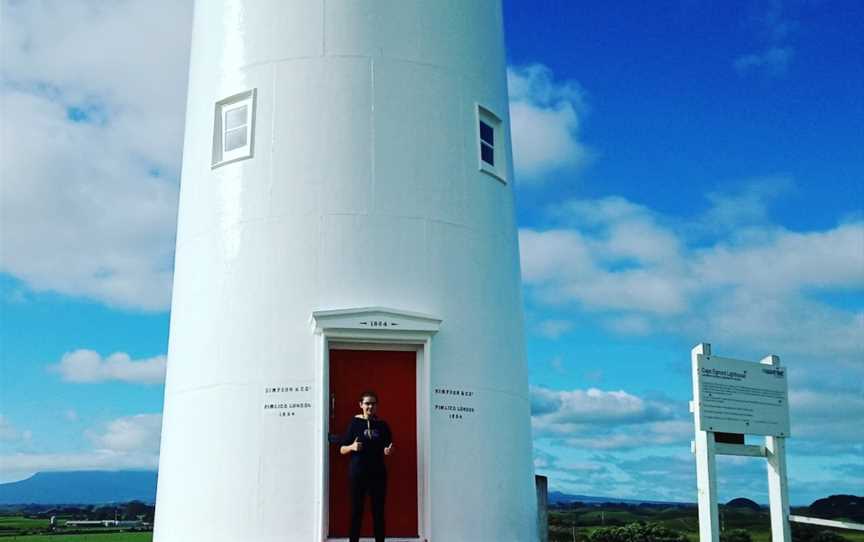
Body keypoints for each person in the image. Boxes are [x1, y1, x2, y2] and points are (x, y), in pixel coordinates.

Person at [339, 390, 393, 542]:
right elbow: (342, 449)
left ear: (377, 406)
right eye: (367, 403)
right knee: (356, 511)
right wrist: (352, 447)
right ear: (361, 405)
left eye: (373, 404)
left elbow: (387, 446)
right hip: (358, 474)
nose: (370, 406)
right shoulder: (354, 424)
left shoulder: (382, 426)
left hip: (378, 475)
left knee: (378, 512)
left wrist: (388, 450)